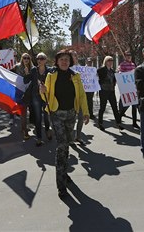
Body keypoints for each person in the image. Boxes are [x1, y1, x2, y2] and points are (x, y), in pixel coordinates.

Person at [40, 49, 89, 198]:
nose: (64, 61)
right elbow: (45, 97)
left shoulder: (76, 76)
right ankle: (61, 185)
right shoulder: (51, 75)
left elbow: (81, 95)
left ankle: (64, 173)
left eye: (67, 59)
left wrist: (85, 112)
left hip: (71, 114)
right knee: (61, 147)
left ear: (70, 62)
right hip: (56, 114)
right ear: (57, 61)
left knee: (67, 144)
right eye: (61, 59)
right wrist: (42, 90)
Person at [24, 52, 51, 146]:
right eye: (38, 58)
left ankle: (47, 130)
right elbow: (26, 81)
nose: (39, 60)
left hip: (46, 96)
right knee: (38, 117)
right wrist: (27, 73)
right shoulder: (33, 70)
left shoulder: (50, 70)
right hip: (36, 96)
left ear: (46, 60)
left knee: (47, 116)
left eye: (42, 58)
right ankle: (39, 137)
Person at [11, 53, 34, 140]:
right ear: (22, 58)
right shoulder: (16, 67)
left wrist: (28, 73)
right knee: (23, 112)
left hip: (29, 92)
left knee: (27, 112)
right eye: (24, 57)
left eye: (28, 58)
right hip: (20, 92)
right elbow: (8, 72)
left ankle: (23, 127)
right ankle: (25, 132)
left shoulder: (33, 68)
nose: (26, 59)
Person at [97, 55, 123, 131]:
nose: (111, 62)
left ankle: (118, 123)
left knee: (115, 107)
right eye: (109, 60)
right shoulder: (101, 70)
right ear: (105, 61)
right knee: (102, 107)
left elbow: (115, 80)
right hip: (103, 91)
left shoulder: (112, 71)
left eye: (112, 60)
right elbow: (95, 76)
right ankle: (100, 123)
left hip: (111, 91)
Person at [117, 51, 139, 129]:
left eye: (130, 55)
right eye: (127, 55)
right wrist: (121, 73)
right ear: (125, 56)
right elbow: (120, 72)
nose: (129, 57)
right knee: (125, 105)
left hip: (133, 87)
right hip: (126, 88)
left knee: (134, 106)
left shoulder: (133, 64)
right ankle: (118, 119)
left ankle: (134, 122)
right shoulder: (122, 64)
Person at [70, 50, 85, 143]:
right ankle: (71, 137)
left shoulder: (81, 68)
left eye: (75, 55)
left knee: (81, 117)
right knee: (71, 119)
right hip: (70, 97)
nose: (74, 57)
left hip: (80, 96)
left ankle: (78, 136)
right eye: (72, 56)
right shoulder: (67, 68)